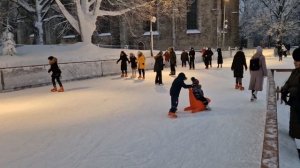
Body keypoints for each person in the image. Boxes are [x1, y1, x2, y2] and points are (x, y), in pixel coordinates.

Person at [281, 47, 300, 159]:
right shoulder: (295, 72)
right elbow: (289, 82)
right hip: (295, 104)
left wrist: (290, 90)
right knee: (295, 127)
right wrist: (285, 88)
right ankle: (295, 148)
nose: (295, 62)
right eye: (294, 60)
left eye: (297, 60)